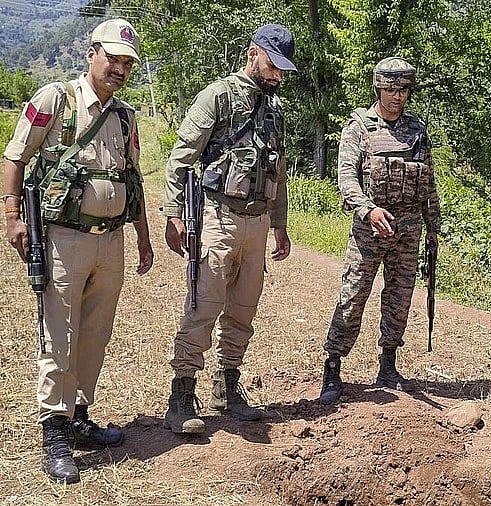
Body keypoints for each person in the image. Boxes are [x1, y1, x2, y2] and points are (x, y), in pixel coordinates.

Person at [2, 18, 153, 483]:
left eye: (127, 63)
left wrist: (143, 236)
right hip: (63, 238)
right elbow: (14, 156)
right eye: (113, 59)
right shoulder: (55, 99)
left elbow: (133, 179)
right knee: (58, 335)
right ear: (91, 54)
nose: (119, 69)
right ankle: (55, 432)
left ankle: (80, 414)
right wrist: (11, 214)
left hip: (110, 242)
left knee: (95, 333)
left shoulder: (126, 117)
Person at [161, 24, 295, 434]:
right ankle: (182, 396)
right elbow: (181, 159)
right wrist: (174, 213)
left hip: (257, 222)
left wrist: (280, 225)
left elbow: (280, 172)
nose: (277, 76)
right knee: (204, 306)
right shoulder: (216, 97)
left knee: (243, 311)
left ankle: (227, 387)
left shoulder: (275, 110)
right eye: (273, 66)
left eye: (282, 71)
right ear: (254, 53)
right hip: (217, 218)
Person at [319, 56, 441, 405]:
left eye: (403, 90)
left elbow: (428, 181)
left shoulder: (417, 130)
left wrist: (433, 227)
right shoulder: (359, 127)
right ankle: (333, 365)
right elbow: (346, 179)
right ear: (378, 88)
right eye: (390, 89)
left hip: (408, 231)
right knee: (353, 297)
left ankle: (388, 364)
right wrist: (368, 209)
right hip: (369, 230)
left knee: (400, 299)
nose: (396, 97)